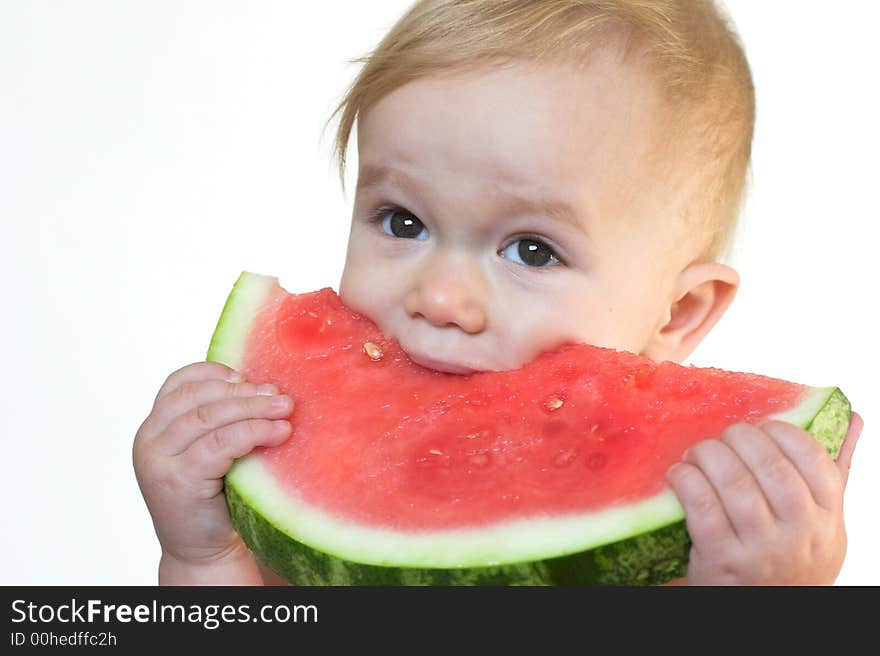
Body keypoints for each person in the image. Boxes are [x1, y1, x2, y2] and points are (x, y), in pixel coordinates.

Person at [133, 0, 862, 585]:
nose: (442, 298)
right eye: (403, 220)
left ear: (680, 312)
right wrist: (207, 556)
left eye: (532, 251)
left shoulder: (682, 533)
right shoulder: (303, 499)